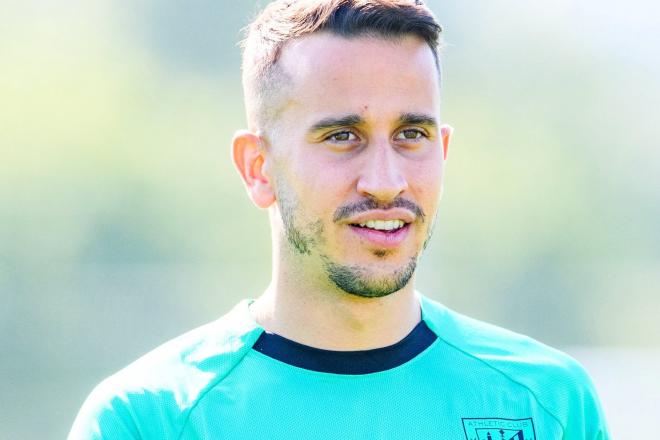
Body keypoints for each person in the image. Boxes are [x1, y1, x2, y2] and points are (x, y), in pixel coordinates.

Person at [69, 1, 610, 439]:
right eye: (342, 137)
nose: (385, 181)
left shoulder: (549, 403)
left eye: (411, 135)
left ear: (443, 150)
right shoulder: (149, 419)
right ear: (258, 168)